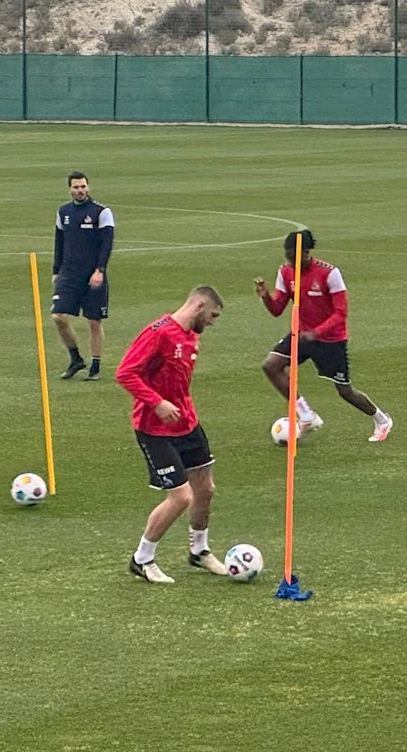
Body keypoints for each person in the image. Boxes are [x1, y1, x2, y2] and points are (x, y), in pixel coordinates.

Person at [116, 286, 230, 584]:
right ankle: (142, 559)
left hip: (187, 423)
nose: (213, 322)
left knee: (205, 489)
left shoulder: (192, 335)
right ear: (199, 304)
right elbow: (125, 373)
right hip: (154, 428)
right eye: (212, 315)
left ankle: (199, 551)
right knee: (181, 497)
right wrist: (157, 402)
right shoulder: (158, 333)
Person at [254, 230, 392, 443]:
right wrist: (265, 297)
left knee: (345, 391)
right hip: (302, 336)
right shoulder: (286, 272)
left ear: (306, 253)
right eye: (287, 255)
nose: (289, 260)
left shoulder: (329, 273)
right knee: (271, 365)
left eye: (293, 255)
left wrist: (316, 333)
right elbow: (277, 309)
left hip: (330, 340)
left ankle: (382, 420)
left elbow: (341, 314)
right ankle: (307, 415)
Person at [51, 171, 114, 380]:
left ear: (88, 187)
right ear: (70, 189)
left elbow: (106, 245)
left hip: (93, 274)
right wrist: (55, 271)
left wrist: (100, 270)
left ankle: (95, 366)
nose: (80, 191)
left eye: (83, 187)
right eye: (76, 187)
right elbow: (59, 244)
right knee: (58, 316)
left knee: (94, 322)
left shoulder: (101, 212)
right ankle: (76, 358)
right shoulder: (63, 212)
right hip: (69, 274)